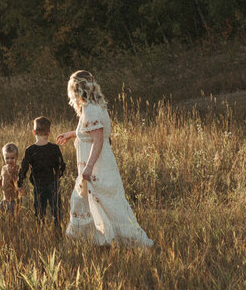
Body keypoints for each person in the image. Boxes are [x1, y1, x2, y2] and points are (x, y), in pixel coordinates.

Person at [54, 70, 152, 247]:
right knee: (86, 202)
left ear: (77, 90)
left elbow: (98, 140)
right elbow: (91, 133)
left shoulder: (90, 109)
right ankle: (95, 241)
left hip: (96, 166)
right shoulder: (93, 106)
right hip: (97, 164)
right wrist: (71, 134)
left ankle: (127, 241)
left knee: (104, 204)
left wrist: (89, 167)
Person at [17, 116, 67, 231]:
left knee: (39, 210)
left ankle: (40, 232)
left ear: (34, 132)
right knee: (56, 209)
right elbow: (62, 165)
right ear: (49, 132)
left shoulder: (30, 150)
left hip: (38, 184)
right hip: (53, 183)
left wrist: (20, 183)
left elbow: (23, 168)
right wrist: (57, 176)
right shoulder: (54, 148)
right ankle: (58, 231)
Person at [0, 143, 22, 215]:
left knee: (12, 217)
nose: (9, 160)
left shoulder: (17, 169)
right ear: (3, 157)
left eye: (12, 158)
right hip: (5, 198)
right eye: (7, 158)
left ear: (16, 157)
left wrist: (11, 172)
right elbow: (1, 180)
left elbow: (17, 182)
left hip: (14, 200)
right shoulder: (4, 168)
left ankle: (13, 225)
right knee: (0, 214)